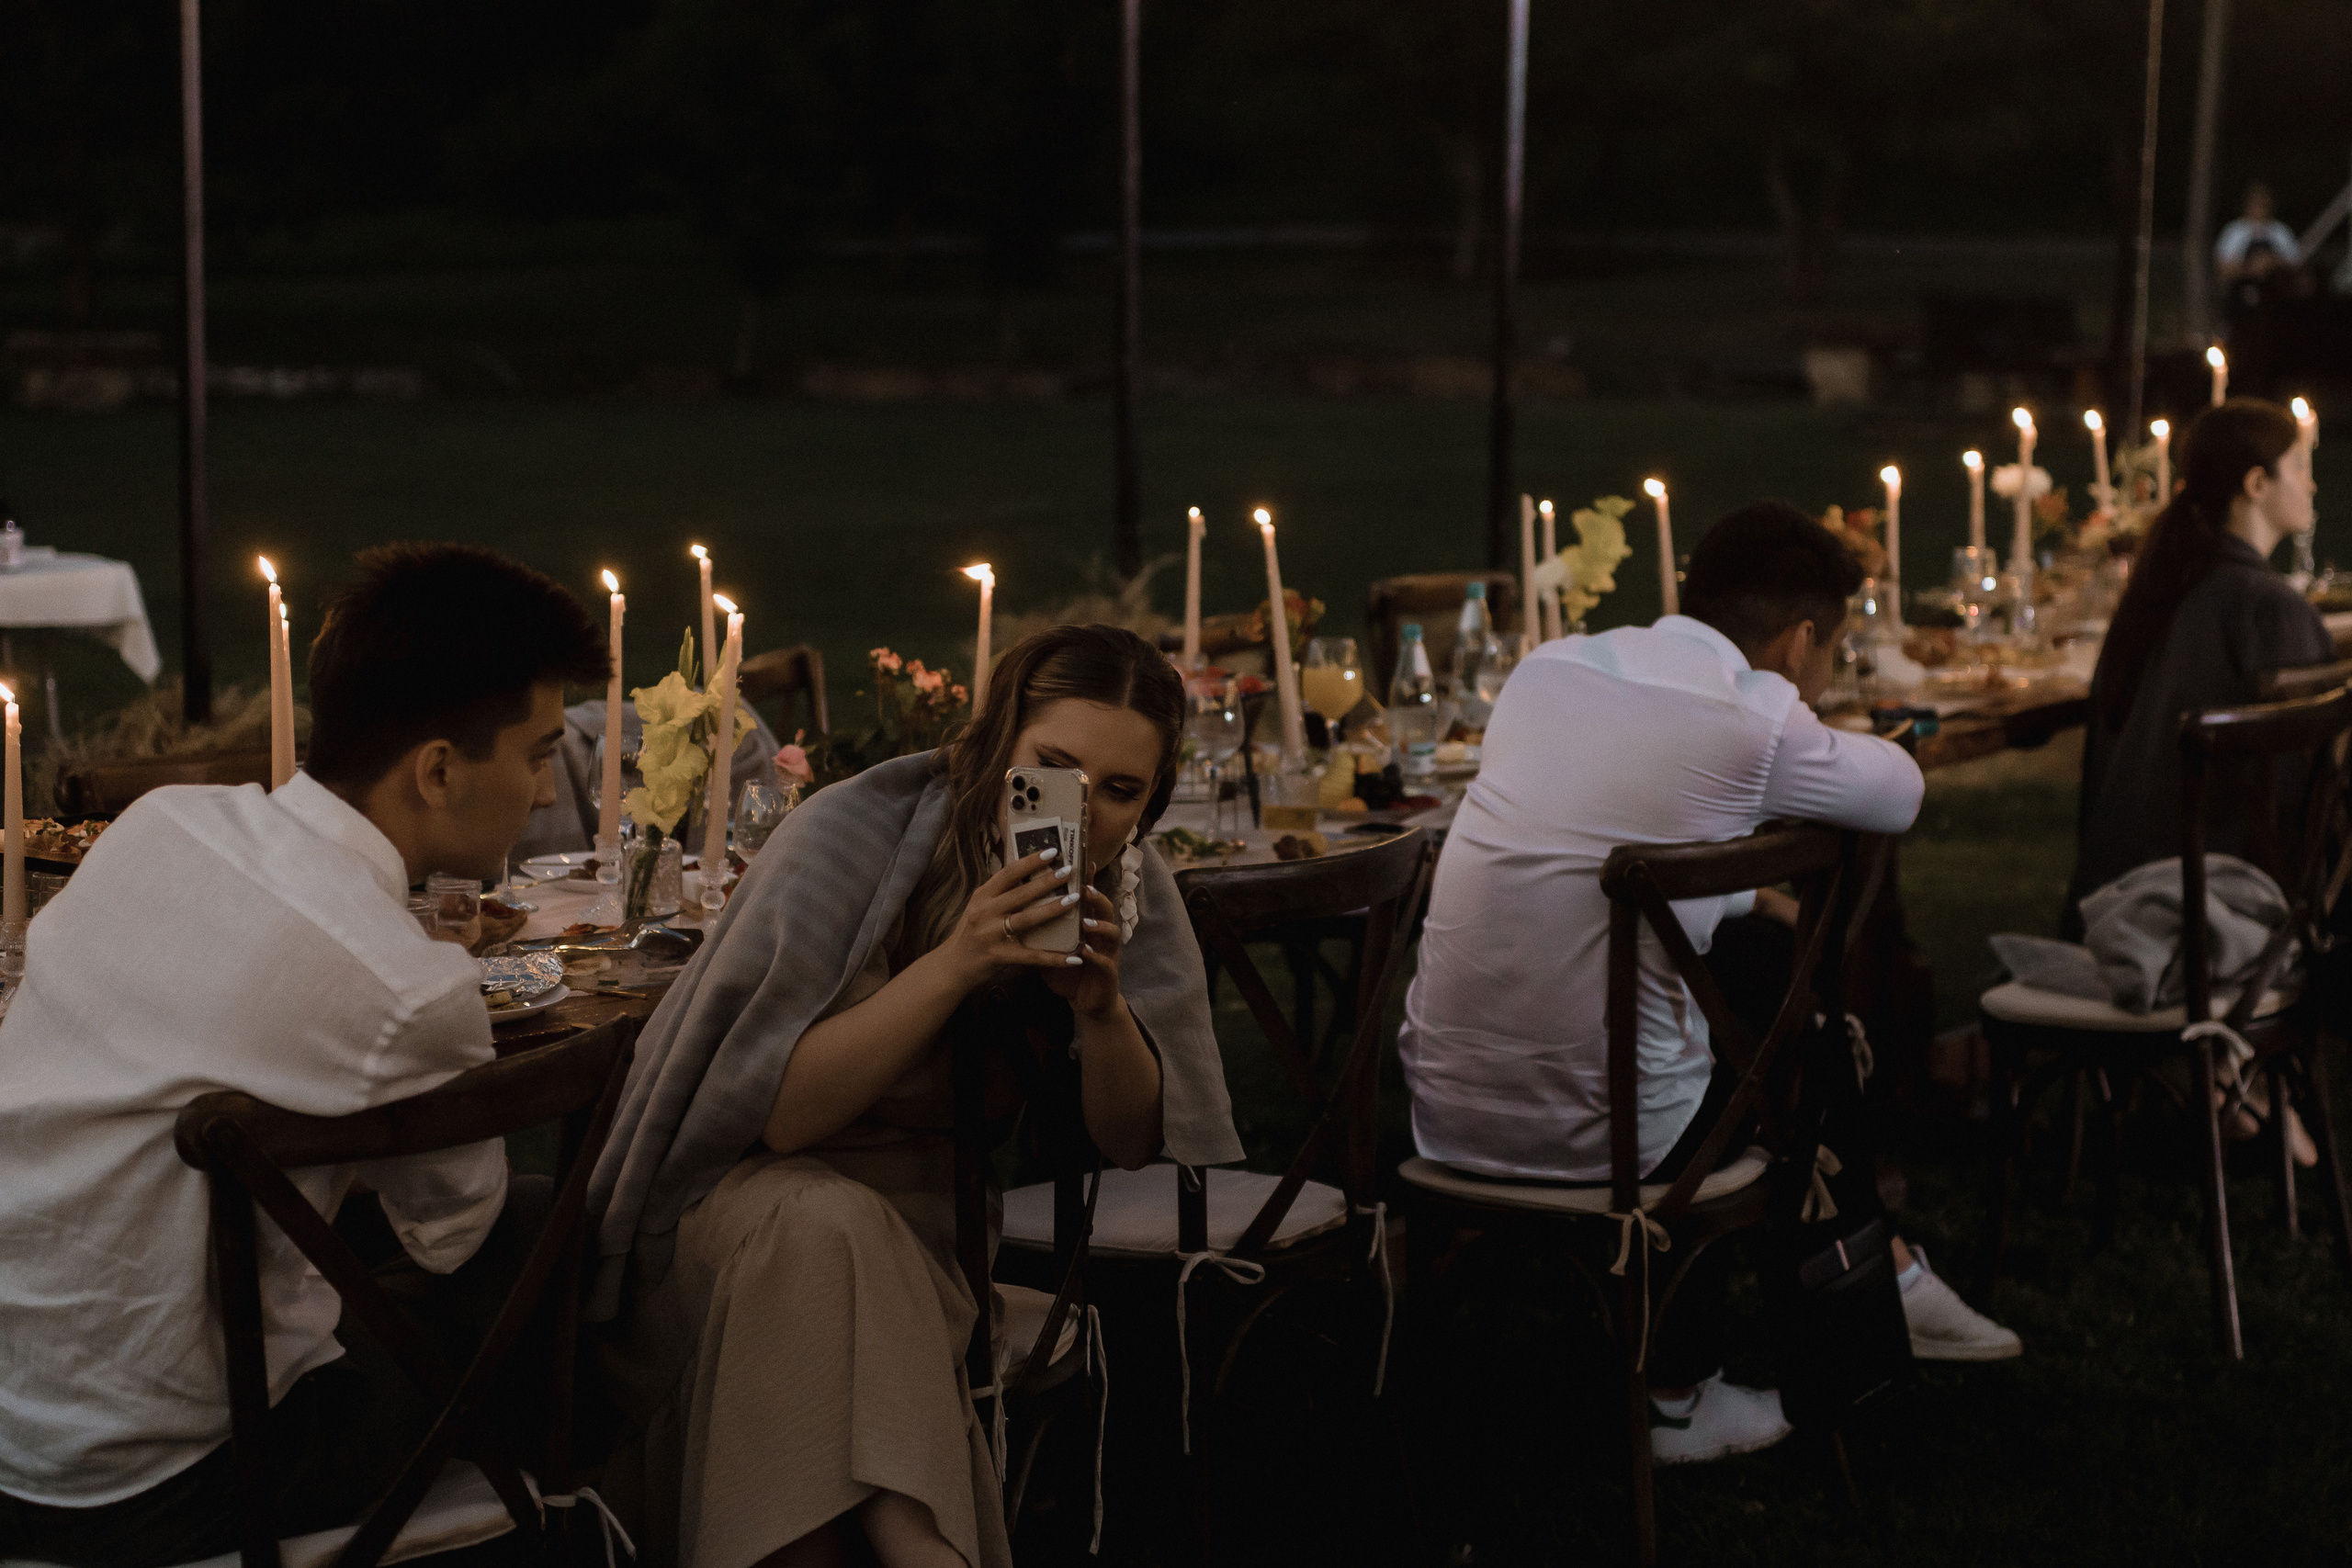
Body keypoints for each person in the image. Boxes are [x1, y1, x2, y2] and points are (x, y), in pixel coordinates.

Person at [0, 545, 611, 1565]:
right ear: (438, 769)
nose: (549, 793)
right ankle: (577, 1526)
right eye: (541, 753)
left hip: (16, 1430)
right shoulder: (407, 986)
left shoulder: (156, 829)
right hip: (169, 1483)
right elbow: (455, 1237)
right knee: (553, 1234)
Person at [584, 624, 1242, 1568]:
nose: (1084, 812)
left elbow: (1132, 1142)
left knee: (831, 1247)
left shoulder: (1123, 883)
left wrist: (1101, 1014)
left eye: (1123, 792)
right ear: (996, 740)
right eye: (1052, 769)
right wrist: (956, 964)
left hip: (927, 1243)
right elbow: (785, 1117)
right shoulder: (856, 833)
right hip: (724, 1225)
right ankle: (925, 1543)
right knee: (819, 1225)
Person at [1401, 502, 2019, 1466]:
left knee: (1765, 965)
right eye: (1832, 649)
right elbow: (1899, 790)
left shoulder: (1547, 671)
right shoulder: (1754, 716)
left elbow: (1594, 844)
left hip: (1442, 1116)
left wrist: (1747, 904)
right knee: (1801, 1037)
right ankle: (1691, 1390)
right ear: (1802, 638)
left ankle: (1881, 1274)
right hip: (1613, 1144)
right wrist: (1795, 736)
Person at [2075, 399, 2323, 900]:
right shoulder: (2262, 607)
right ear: (2256, 485)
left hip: (2124, 890)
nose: (2311, 482)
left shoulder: (2167, 584)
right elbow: (2314, 780)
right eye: (2298, 466)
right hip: (2220, 898)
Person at [2215, 185, 2302, 286]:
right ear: (2247, 204)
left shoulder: (2281, 231)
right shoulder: (2234, 230)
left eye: (2264, 202)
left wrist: (2272, 263)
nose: (2260, 206)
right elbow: (2222, 267)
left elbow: (2296, 264)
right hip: (2242, 289)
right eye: (2256, 202)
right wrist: (2251, 267)